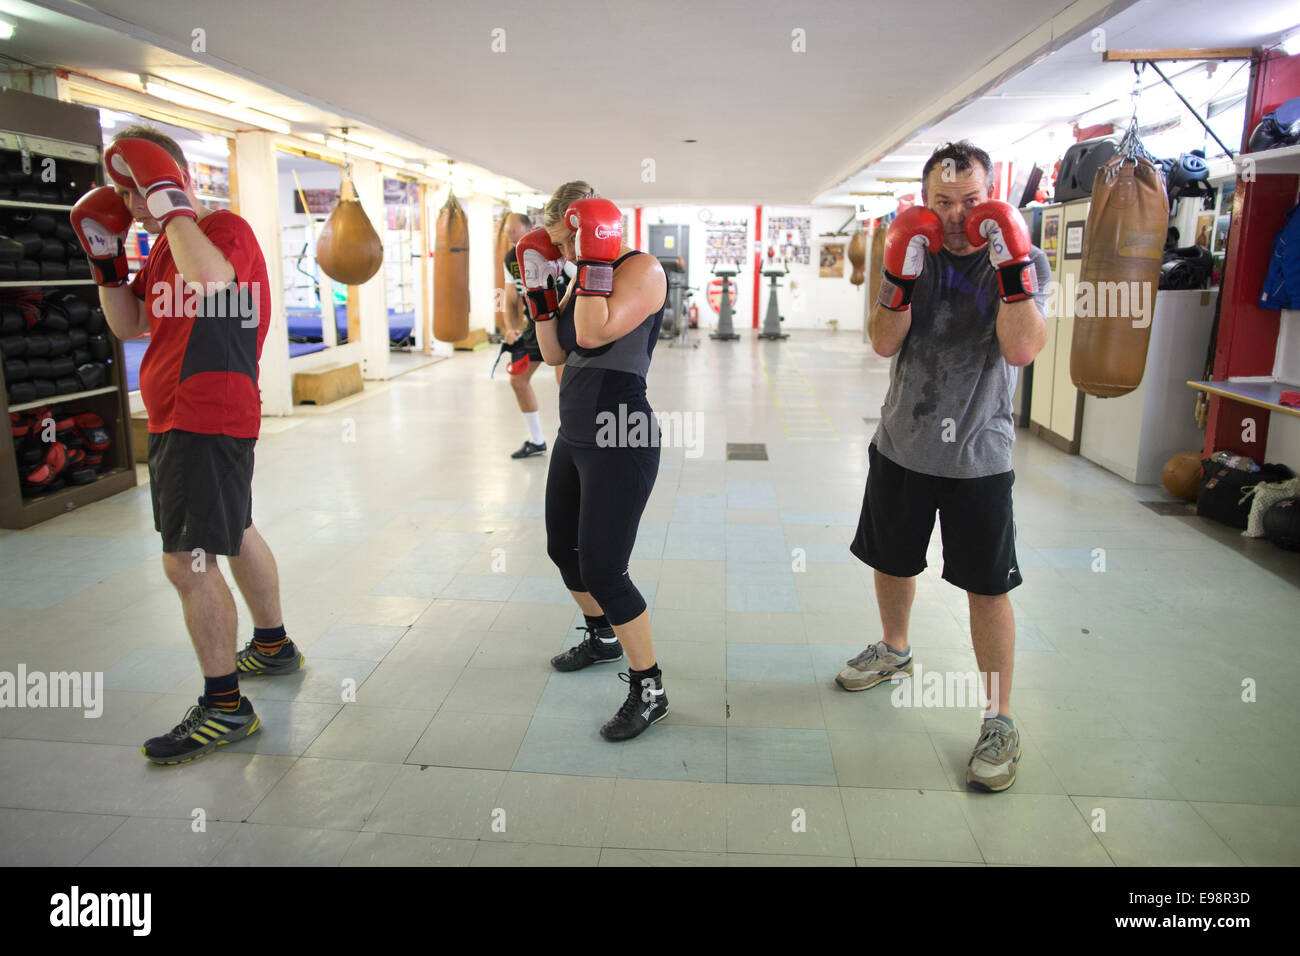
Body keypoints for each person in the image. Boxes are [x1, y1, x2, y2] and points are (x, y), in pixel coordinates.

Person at [71, 127, 302, 765]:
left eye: (138, 184)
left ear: (172, 178)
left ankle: (226, 708)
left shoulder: (221, 231)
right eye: (123, 191)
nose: (133, 201)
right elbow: (130, 324)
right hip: (181, 411)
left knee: (187, 560)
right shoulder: (162, 248)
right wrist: (108, 260)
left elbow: (211, 282)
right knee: (235, 528)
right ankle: (274, 645)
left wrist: (167, 202)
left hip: (204, 411)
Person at [843, 140, 1050, 793]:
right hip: (903, 441)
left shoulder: (1021, 256)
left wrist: (1011, 262)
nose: (957, 215)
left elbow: (1021, 348)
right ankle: (895, 649)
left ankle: (999, 719)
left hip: (978, 456)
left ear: (992, 197)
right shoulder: (912, 250)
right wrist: (902, 274)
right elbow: (882, 342)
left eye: (970, 201)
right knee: (892, 559)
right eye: (943, 202)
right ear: (925, 200)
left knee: (988, 588)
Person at [519, 181, 669, 740]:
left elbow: (592, 331)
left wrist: (591, 262)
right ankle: (603, 635)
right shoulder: (578, 272)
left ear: (588, 229)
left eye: (564, 243)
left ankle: (650, 688)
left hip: (622, 432)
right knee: (564, 550)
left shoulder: (641, 269)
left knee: (606, 569)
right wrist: (537, 291)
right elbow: (555, 350)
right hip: (576, 433)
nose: (558, 255)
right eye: (554, 248)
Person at [497, 211, 567, 458]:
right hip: (536, 321)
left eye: (513, 231)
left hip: (564, 319)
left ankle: (573, 439)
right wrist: (510, 327)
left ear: (527, 228)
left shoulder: (554, 248)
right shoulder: (510, 258)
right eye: (506, 232)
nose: (509, 235)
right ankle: (537, 441)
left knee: (565, 382)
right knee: (518, 380)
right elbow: (511, 296)